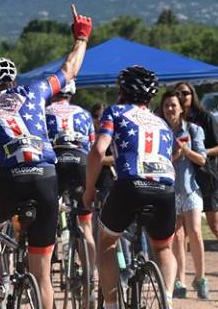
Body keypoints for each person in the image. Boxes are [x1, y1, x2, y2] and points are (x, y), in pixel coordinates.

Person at [0, 4, 92, 309]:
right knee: (42, 276)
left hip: (10, 177)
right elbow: (69, 70)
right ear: (12, 81)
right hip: (46, 175)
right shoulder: (36, 91)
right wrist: (81, 38)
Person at [84, 66, 177, 309]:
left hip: (131, 184)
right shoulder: (162, 123)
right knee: (164, 247)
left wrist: (89, 189)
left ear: (122, 92)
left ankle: (112, 305)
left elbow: (98, 150)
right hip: (165, 188)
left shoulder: (114, 112)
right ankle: (166, 299)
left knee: (107, 243)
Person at [44, 79, 96, 293]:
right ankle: (90, 277)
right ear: (71, 94)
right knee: (85, 224)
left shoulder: (44, 112)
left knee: (45, 217)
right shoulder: (84, 113)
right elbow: (92, 145)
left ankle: (43, 272)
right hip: (81, 162)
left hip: (55, 163)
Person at [161, 90, 212, 300]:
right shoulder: (160, 130)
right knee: (177, 236)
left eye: (173, 105)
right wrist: (174, 156)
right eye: (166, 105)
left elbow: (202, 159)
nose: (170, 109)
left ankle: (201, 279)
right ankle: (179, 280)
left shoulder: (193, 129)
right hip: (170, 189)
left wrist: (186, 150)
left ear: (181, 108)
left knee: (196, 232)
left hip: (191, 188)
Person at [174, 81, 218, 256]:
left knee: (216, 227)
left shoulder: (204, 117)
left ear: (193, 95)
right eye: (178, 93)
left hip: (205, 177)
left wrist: (199, 152)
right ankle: (182, 271)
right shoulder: (174, 120)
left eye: (185, 93)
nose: (182, 96)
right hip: (185, 180)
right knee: (182, 231)